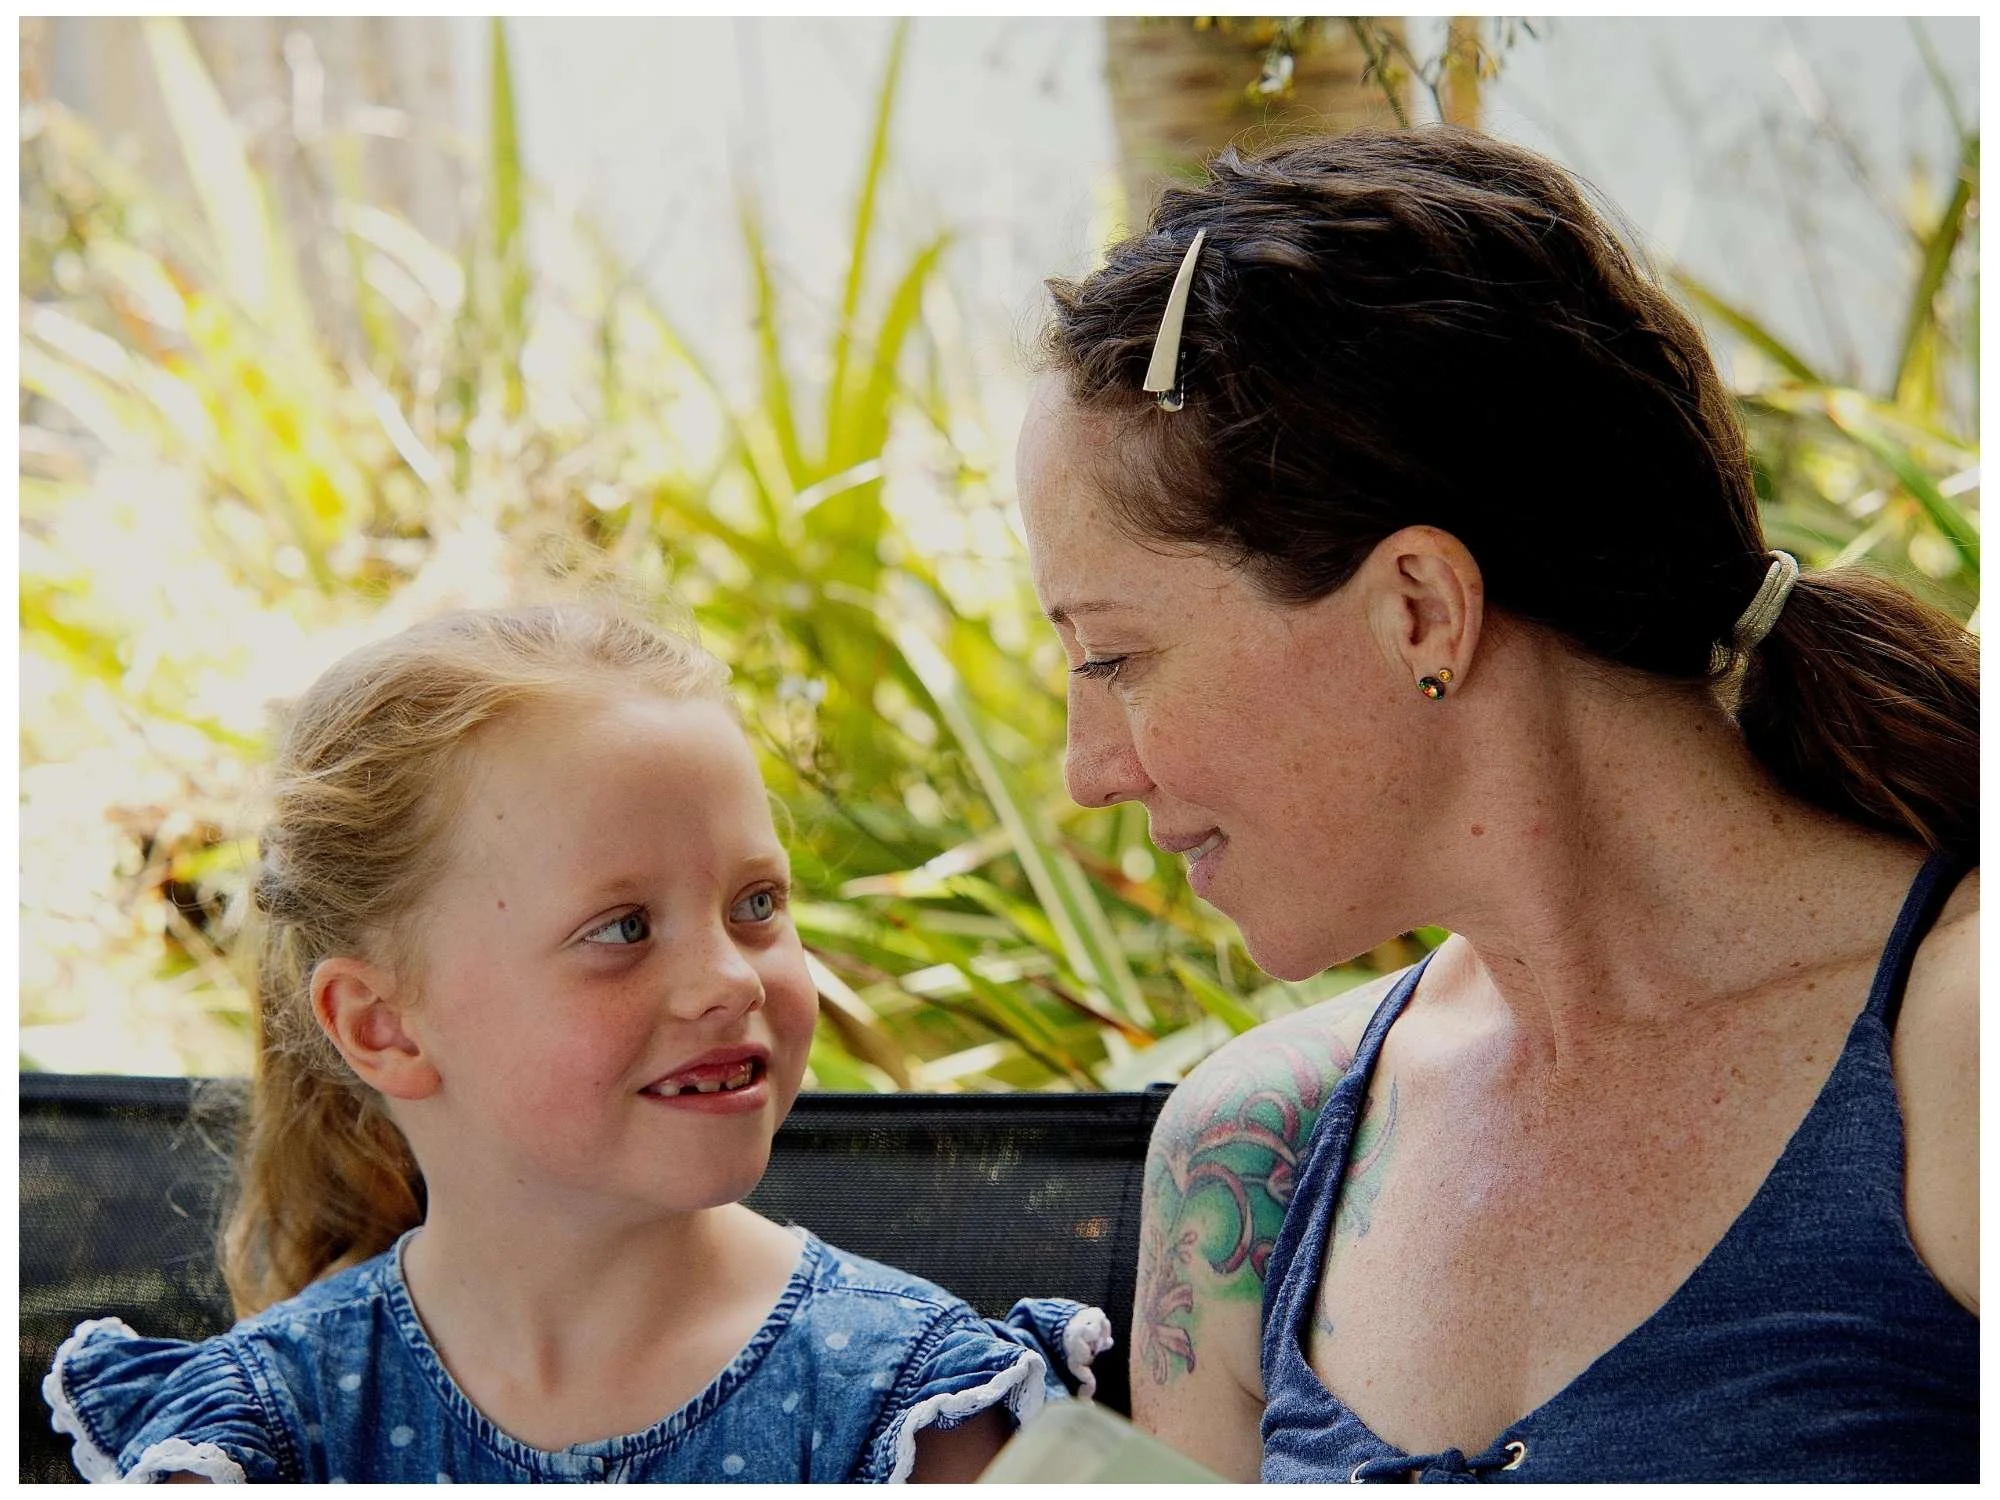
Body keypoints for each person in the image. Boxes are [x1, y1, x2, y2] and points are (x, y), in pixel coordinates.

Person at [1017, 127, 1976, 1482]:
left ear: (1419, 609)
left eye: (1114, 658)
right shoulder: (1250, 1156)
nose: (1089, 770)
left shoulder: (1959, 1050)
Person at [43, 604, 1111, 1483]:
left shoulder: (911, 1414)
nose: (732, 979)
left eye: (755, 904)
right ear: (383, 1025)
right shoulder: (259, 1438)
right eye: (623, 928)